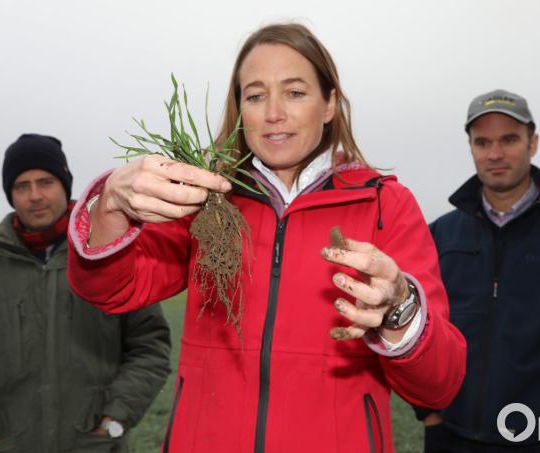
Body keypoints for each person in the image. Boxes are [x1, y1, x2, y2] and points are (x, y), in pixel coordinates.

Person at [66, 23, 467, 453]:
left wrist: (399, 307)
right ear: (239, 110)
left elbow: (437, 387)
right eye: (255, 96)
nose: (274, 112)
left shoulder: (384, 204)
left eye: (295, 92)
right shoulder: (207, 198)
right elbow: (109, 288)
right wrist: (109, 205)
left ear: (329, 104)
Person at [416, 89, 540, 452]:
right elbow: (422, 326)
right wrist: (429, 412)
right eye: (482, 142)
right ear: (472, 148)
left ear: (533, 143)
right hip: (450, 437)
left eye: (509, 139)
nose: (495, 154)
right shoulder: (440, 235)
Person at [0, 133, 172, 453]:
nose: (35, 196)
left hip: (95, 446)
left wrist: (113, 421)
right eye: (21, 186)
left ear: (65, 185)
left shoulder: (109, 254)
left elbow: (149, 347)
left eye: (46, 182)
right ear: (10, 194)